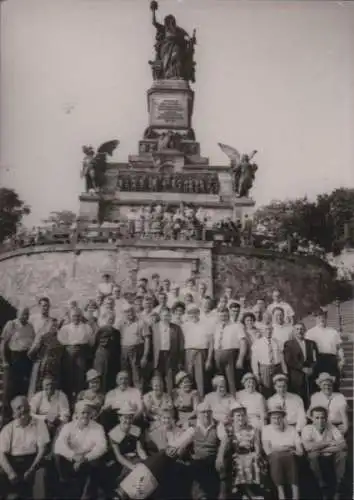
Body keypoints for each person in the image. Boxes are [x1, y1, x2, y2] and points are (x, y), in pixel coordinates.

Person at [54, 400, 107, 499]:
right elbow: (58, 445)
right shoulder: (68, 426)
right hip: (72, 460)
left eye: (88, 413)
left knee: (97, 461)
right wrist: (73, 456)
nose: (85, 416)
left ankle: (87, 495)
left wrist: (84, 458)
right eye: (83, 412)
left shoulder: (98, 427)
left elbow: (102, 447)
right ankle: (65, 486)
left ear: (91, 414)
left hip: (88, 460)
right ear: (76, 414)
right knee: (58, 456)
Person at [0, 396, 50, 499]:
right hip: (12, 462)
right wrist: (10, 473)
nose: (23, 410)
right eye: (19, 408)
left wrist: (32, 469)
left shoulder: (39, 424)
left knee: (41, 476)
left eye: (25, 407)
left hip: (33, 461)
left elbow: (42, 449)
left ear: (29, 407)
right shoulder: (8, 429)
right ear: (14, 412)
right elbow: (1, 454)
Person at [219, 402, 266, 499]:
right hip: (236, 454)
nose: (241, 418)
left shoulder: (252, 429)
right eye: (238, 415)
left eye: (243, 415)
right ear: (232, 417)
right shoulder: (229, 429)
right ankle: (248, 493)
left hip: (250, 453)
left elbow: (257, 444)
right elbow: (227, 445)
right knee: (240, 461)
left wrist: (257, 453)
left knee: (253, 459)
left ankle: (247, 493)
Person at [301, 406, 347, 500]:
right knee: (313, 456)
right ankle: (322, 486)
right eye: (317, 418)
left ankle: (338, 485)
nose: (320, 420)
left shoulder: (331, 427)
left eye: (322, 417)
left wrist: (320, 448)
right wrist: (330, 443)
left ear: (326, 418)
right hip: (316, 455)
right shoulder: (307, 428)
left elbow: (343, 445)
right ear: (312, 418)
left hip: (330, 454)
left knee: (342, 454)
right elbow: (308, 447)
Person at [261, 404, 303, 500]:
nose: (276, 420)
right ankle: (281, 494)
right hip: (274, 456)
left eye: (279, 417)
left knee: (290, 457)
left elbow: (300, 451)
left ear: (284, 418)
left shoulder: (291, 429)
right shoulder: (266, 429)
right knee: (276, 457)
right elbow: (268, 450)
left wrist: (291, 450)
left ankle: (295, 494)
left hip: (291, 456)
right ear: (270, 419)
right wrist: (286, 448)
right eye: (274, 418)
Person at [0, 308, 35, 421]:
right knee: (9, 390)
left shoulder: (30, 327)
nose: (25, 316)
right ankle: (6, 418)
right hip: (13, 358)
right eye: (22, 314)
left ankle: (20, 417)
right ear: (17, 314)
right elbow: (3, 344)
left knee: (22, 388)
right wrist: (4, 360)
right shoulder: (11, 324)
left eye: (26, 314)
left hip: (26, 359)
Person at [57, 308, 94, 406]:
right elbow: (61, 341)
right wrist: (70, 348)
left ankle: (79, 403)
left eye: (78, 316)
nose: (76, 318)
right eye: (74, 316)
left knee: (80, 379)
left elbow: (91, 342)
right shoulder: (65, 328)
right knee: (68, 378)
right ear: (70, 317)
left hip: (82, 354)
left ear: (81, 316)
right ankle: (68, 403)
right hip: (68, 354)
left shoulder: (87, 327)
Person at [190, 401, 225, 500]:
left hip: (212, 456)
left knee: (215, 464)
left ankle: (219, 495)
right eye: (203, 412)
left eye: (209, 411)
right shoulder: (192, 425)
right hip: (197, 457)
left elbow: (224, 440)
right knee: (196, 465)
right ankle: (201, 496)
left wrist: (220, 456)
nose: (206, 414)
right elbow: (184, 440)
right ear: (198, 414)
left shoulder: (218, 424)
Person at [306, 309, 344, 391]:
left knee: (334, 383)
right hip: (317, 360)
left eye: (323, 317)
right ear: (315, 318)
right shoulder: (310, 333)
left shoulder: (333, 332)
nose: (322, 319)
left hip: (331, 360)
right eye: (319, 317)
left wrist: (342, 359)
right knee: (316, 384)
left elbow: (339, 347)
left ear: (326, 318)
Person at [109, 402, 148, 482]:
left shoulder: (136, 430)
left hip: (135, 457)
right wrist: (132, 466)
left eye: (130, 418)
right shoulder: (113, 433)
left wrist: (146, 461)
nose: (128, 420)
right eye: (125, 417)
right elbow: (118, 456)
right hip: (121, 462)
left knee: (144, 469)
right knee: (131, 474)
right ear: (119, 418)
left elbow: (140, 449)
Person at [211, 308, 247, 394]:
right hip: (217, 355)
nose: (223, 317)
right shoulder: (216, 326)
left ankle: (233, 400)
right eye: (221, 315)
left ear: (228, 314)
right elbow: (212, 341)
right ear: (218, 315)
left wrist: (240, 358)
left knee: (232, 380)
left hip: (231, 355)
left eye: (225, 315)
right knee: (219, 380)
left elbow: (243, 342)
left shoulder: (236, 326)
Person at [27, 318, 65, 399]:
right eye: (52, 326)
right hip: (44, 368)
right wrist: (39, 361)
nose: (54, 328)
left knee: (53, 389)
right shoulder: (43, 337)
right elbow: (31, 353)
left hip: (56, 369)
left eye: (56, 326)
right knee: (41, 388)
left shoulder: (60, 338)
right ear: (48, 326)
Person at [151, 307, 184, 395]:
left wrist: (180, 360)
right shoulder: (154, 327)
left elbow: (180, 345)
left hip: (170, 355)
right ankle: (158, 398)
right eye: (165, 315)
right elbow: (150, 344)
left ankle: (169, 399)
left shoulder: (176, 328)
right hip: (158, 356)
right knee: (157, 379)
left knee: (169, 378)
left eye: (168, 315)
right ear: (160, 316)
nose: (166, 317)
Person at [117, 304, 151, 391]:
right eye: (127, 312)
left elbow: (147, 340)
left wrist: (145, 356)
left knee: (137, 376)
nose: (130, 314)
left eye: (131, 311)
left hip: (137, 351)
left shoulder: (141, 322)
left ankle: (139, 396)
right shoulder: (121, 324)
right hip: (124, 351)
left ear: (134, 312)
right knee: (125, 375)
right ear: (124, 314)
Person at [284, 322, 318, 406]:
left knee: (310, 397)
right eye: (297, 329)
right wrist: (302, 368)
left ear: (305, 330)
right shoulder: (288, 344)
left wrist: (311, 368)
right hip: (296, 376)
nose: (299, 331)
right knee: (297, 398)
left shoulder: (311, 344)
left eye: (301, 329)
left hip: (309, 376)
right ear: (294, 331)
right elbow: (289, 360)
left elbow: (316, 359)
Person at [183, 304, 213, 398]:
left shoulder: (206, 325)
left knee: (201, 379)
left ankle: (201, 400)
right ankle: (191, 401)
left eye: (195, 313)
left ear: (199, 313)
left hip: (201, 352)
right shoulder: (185, 326)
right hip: (188, 353)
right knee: (189, 377)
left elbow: (211, 343)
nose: (193, 316)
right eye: (190, 314)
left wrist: (209, 359)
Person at [251, 323, 287, 398]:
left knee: (279, 388)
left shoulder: (278, 342)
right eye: (266, 330)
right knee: (266, 390)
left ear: (273, 330)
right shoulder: (257, 343)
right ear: (262, 331)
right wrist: (256, 374)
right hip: (265, 369)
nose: (268, 331)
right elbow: (254, 361)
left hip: (277, 368)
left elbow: (282, 358)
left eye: (270, 329)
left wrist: (285, 371)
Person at [93, 311, 121, 393]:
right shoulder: (101, 330)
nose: (111, 320)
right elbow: (96, 344)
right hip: (102, 357)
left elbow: (118, 346)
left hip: (113, 358)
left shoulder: (116, 332)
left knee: (111, 378)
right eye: (109, 319)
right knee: (102, 378)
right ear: (105, 319)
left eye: (113, 319)